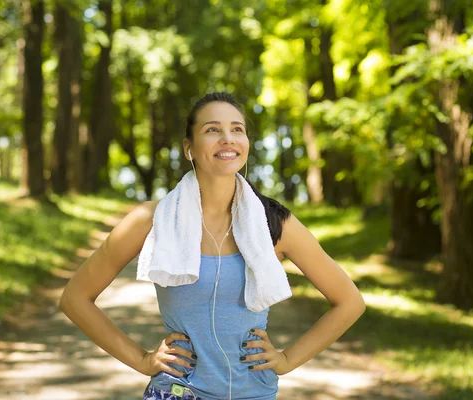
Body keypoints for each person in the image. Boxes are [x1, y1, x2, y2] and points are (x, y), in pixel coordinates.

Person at [59, 92, 366, 400]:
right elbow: (75, 298)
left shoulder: (274, 224)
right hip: (179, 393)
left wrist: (286, 360)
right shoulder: (151, 220)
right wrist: (142, 359)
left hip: (254, 394)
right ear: (188, 148)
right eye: (212, 130)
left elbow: (349, 302)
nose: (227, 138)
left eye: (237, 129)